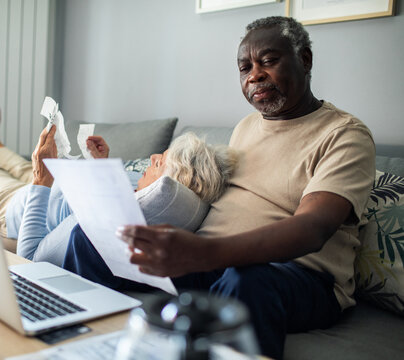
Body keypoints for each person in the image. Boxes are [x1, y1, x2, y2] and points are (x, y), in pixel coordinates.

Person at [62, 16, 376, 359]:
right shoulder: (246, 127)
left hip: (299, 277)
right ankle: (79, 348)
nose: (254, 74)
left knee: (246, 280)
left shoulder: (344, 135)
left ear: (305, 59)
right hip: (212, 264)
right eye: (245, 67)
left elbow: (312, 229)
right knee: (90, 240)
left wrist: (200, 252)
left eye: (268, 61)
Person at [0, 103, 237, 261]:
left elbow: (31, 253)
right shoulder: (140, 189)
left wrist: (40, 179)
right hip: (54, 180)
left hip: (25, 203)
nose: (152, 157)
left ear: (169, 185)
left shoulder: (114, 217)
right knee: (20, 165)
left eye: (160, 162)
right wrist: (101, 164)